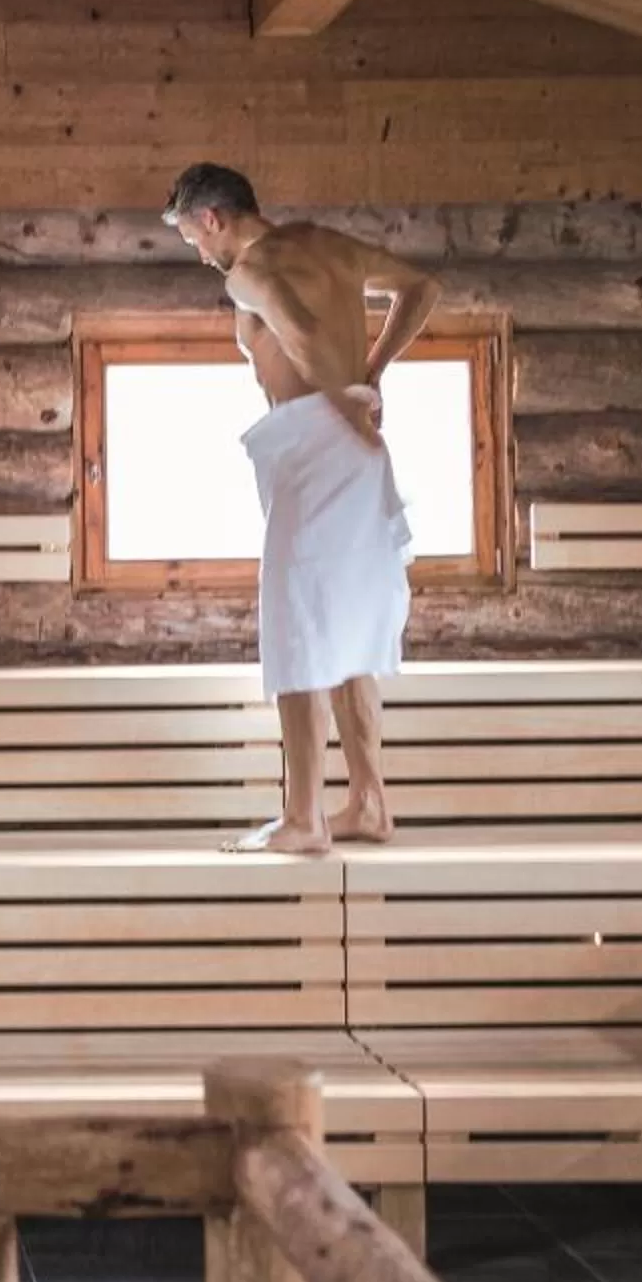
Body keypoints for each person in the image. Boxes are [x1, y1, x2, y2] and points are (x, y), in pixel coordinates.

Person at [163, 163, 442, 853]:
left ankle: (303, 818)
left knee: (296, 628)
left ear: (212, 219)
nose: (199, 253)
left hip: (319, 446)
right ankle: (369, 803)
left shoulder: (248, 271)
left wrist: (346, 403)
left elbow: (304, 334)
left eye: (193, 238)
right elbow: (421, 287)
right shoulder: (330, 245)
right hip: (354, 453)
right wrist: (371, 374)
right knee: (347, 631)